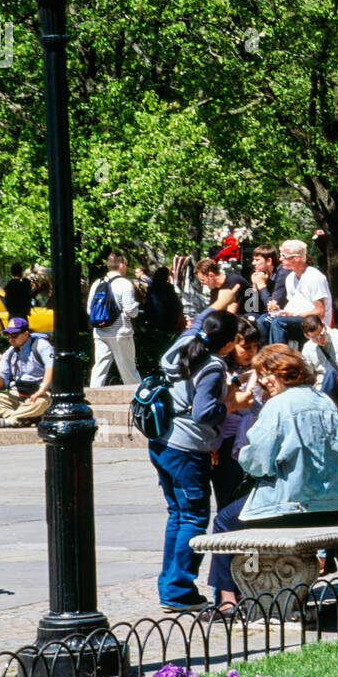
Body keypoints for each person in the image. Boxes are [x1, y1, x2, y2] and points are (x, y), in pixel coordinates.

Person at [205, 345, 338, 614]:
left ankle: (228, 600)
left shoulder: (278, 406)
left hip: (290, 506)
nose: (262, 381)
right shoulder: (325, 402)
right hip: (331, 506)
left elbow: (256, 462)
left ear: (283, 370)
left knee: (225, 522)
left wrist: (252, 459)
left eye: (266, 373)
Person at [148, 310, 249, 610]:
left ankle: (171, 588)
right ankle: (178, 590)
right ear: (229, 344)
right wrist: (233, 405)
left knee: (178, 514)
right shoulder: (213, 366)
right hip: (187, 447)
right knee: (192, 517)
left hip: (162, 441)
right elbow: (202, 413)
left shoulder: (183, 346)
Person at [210, 317, 264, 512]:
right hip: (227, 440)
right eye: (245, 347)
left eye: (255, 347)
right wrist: (248, 379)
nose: (251, 353)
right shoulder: (221, 370)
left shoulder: (262, 368)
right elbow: (243, 399)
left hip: (255, 437)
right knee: (227, 492)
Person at [0, 317, 54, 428]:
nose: (10, 339)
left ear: (25, 334)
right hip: (17, 394)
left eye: (14, 335)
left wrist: (42, 389)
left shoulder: (41, 345)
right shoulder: (10, 352)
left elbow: (51, 366)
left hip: (39, 394)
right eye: (8, 334)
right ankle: (19, 417)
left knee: (42, 403)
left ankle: (7, 421)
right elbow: (0, 386)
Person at [87, 252, 141, 387]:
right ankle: (139, 399)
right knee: (128, 368)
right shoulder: (125, 284)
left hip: (100, 332)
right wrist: (137, 308)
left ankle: (94, 396)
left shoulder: (97, 283)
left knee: (99, 367)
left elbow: (90, 309)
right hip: (121, 332)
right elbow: (131, 311)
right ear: (121, 264)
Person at [266, 240, 332, 345]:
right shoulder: (290, 278)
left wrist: (293, 314)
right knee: (265, 321)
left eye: (284, 256)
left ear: (297, 258)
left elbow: (319, 312)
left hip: (315, 323)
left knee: (279, 322)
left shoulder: (314, 277)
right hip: (299, 320)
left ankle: (280, 358)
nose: (280, 259)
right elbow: (295, 305)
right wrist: (280, 311)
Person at [143, 266, 185, 334]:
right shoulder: (168, 287)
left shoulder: (151, 287)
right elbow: (175, 303)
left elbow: (148, 303)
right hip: (168, 319)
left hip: (154, 319)